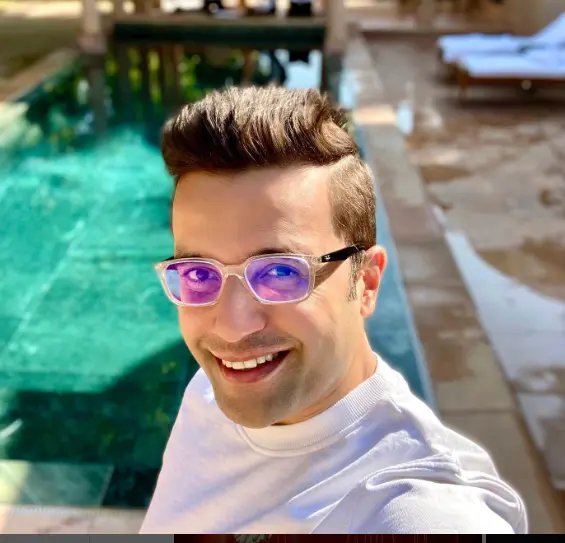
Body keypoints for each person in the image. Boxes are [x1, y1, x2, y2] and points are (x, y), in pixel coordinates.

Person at [140, 86, 527, 534]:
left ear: (365, 282)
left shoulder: (419, 512)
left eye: (282, 273)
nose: (230, 327)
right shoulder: (207, 397)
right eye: (198, 274)